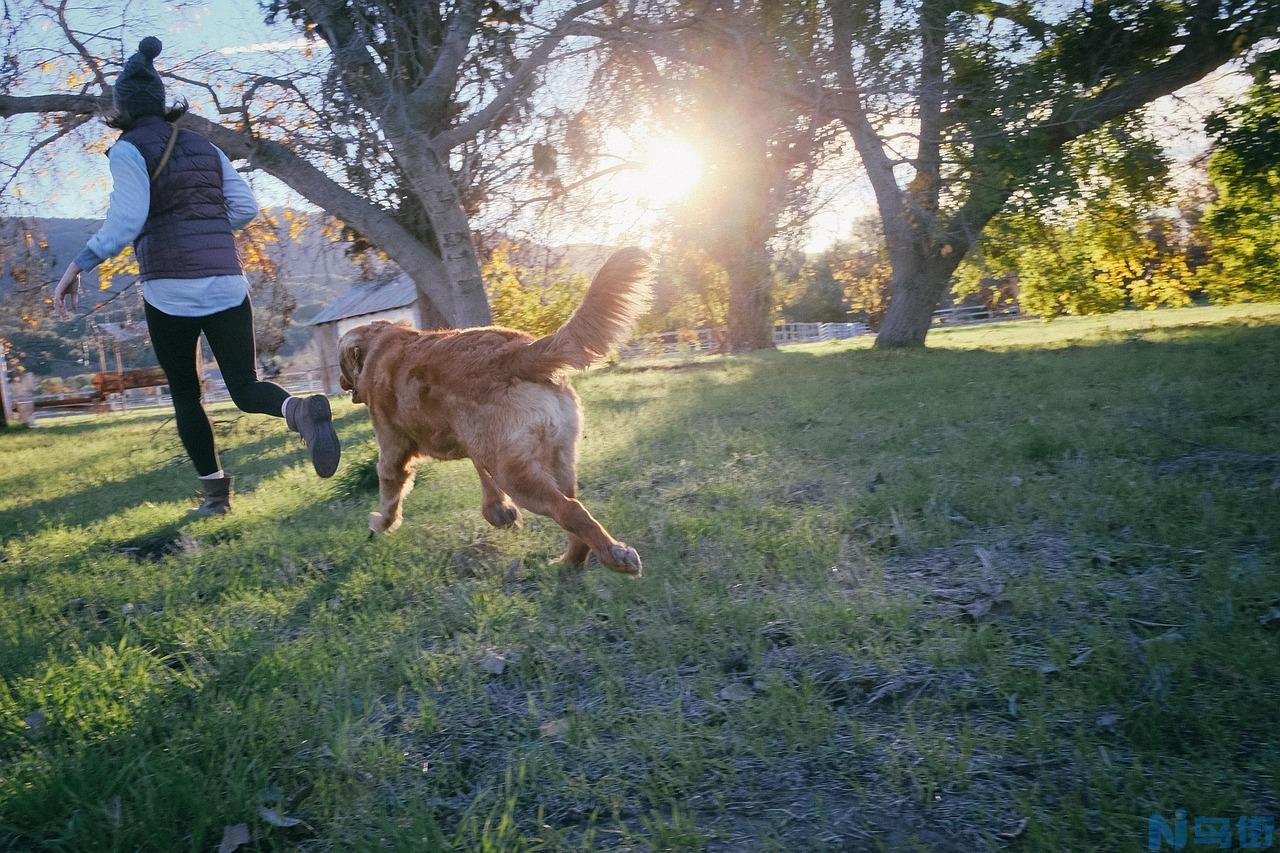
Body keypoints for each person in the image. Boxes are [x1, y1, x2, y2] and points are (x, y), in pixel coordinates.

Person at [51, 37, 340, 515]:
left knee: (187, 396)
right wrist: (204, 227)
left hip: (170, 291)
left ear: (121, 108)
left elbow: (126, 221)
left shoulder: (127, 150)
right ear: (162, 103)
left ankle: (215, 499)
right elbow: (246, 208)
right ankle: (298, 411)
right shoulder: (203, 145)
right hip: (227, 281)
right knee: (245, 388)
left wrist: (77, 265)